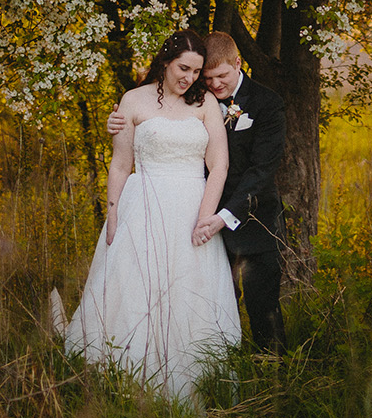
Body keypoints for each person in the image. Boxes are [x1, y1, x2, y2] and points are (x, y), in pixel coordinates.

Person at [64, 30, 241, 402]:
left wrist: (204, 218)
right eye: (183, 68)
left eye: (195, 71)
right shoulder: (132, 100)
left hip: (193, 206)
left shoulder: (205, 102)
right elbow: (120, 166)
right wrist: (113, 216)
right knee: (137, 290)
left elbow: (219, 164)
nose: (189, 78)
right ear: (164, 63)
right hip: (142, 206)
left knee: (188, 291)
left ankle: (196, 380)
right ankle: (127, 378)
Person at [109, 29, 287, 354]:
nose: (215, 84)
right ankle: (211, 361)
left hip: (250, 221)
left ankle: (273, 382)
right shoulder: (195, 95)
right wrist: (118, 122)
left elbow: (261, 172)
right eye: (209, 78)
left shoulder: (266, 104)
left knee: (264, 310)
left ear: (237, 63)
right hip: (193, 218)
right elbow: (152, 120)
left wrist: (222, 217)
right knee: (208, 304)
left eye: (221, 76)